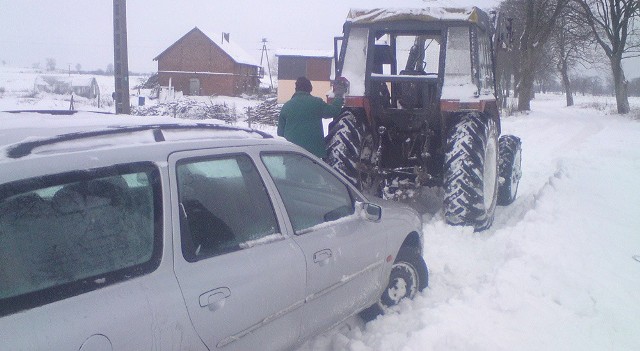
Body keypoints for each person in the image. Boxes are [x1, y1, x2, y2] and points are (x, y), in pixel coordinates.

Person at [277, 77, 345, 159]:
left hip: (292, 154)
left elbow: (280, 133)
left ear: (296, 89)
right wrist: (338, 96)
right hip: (313, 156)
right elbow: (333, 111)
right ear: (310, 89)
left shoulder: (287, 106)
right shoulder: (316, 103)